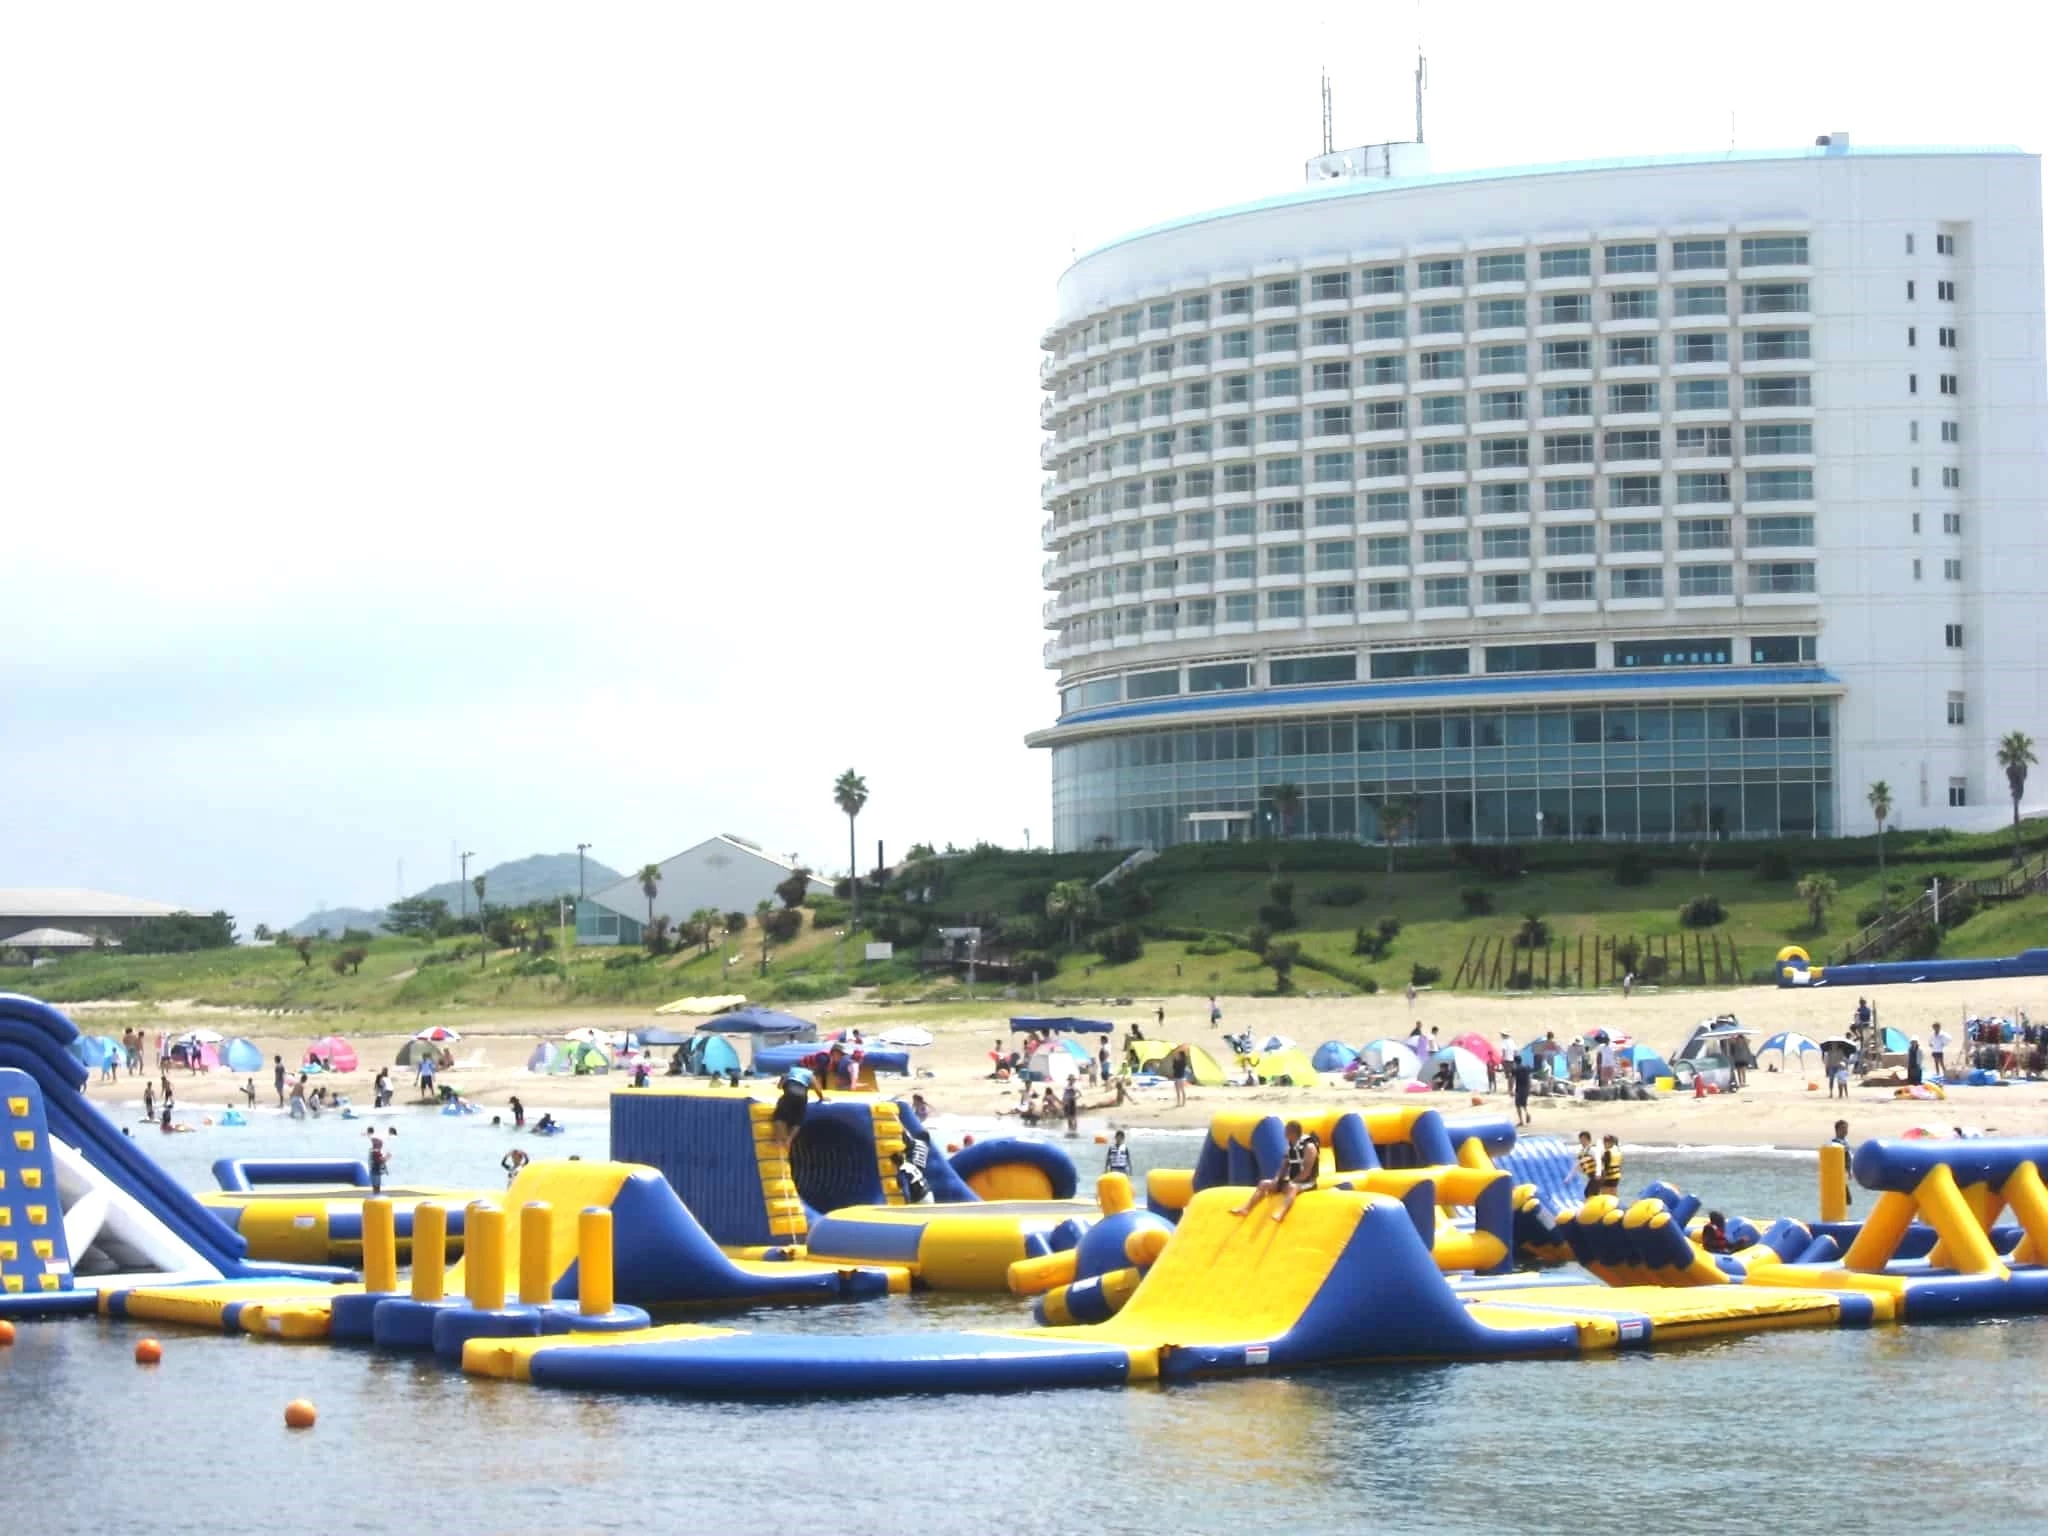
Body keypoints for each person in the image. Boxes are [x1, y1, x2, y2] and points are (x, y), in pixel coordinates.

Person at [1231, 1120, 1319, 1222]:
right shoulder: (1290, 1147)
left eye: (1286, 1132)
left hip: (1308, 1182)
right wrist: (1276, 1180)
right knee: (1264, 1183)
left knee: (1291, 1187)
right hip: (1293, 1180)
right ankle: (1246, 1208)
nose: (1284, 1135)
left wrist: (1292, 1181)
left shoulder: (1309, 1147)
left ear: (1292, 1133)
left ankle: (1281, 1213)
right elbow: (1283, 1167)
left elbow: (1306, 1172)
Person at [771, 1065, 825, 1148]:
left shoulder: (791, 1071)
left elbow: (779, 1087)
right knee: (798, 1119)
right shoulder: (810, 1074)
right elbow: (817, 1088)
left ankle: (779, 1141)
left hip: (790, 1093)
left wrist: (782, 1079)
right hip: (802, 1096)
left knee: (779, 1116)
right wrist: (822, 1098)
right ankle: (789, 1139)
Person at [895, 1131, 933, 1204]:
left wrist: (908, 1203)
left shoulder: (902, 1171)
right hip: (928, 1193)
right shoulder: (926, 1147)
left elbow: (905, 1189)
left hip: (920, 1198)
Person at [1829, 1120, 1854, 1209]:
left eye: (1846, 1128)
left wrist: (1850, 1171)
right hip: (1838, 1175)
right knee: (1845, 1199)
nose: (1846, 1130)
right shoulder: (1835, 1143)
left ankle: (1841, 1215)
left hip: (1843, 1174)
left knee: (1846, 1199)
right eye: (1843, 1128)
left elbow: (1848, 1158)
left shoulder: (1845, 1142)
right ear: (1837, 1130)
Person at [1576, 1131, 1601, 1200]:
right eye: (1580, 1139)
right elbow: (1580, 1164)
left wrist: (1598, 1173)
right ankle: (1594, 1208)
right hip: (1592, 1176)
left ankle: (1594, 1208)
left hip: (1597, 1175)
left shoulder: (1593, 1149)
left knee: (1589, 1192)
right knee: (1590, 1193)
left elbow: (1598, 1161)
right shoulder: (1583, 1151)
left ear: (1588, 1140)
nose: (1581, 1141)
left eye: (1583, 1139)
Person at [1512, 1054, 1533, 1127]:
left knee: (1518, 1105)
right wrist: (1530, 1087)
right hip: (1526, 1088)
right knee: (1524, 1103)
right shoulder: (1527, 1067)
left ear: (1515, 1062)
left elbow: (1512, 1080)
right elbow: (1530, 1077)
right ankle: (1527, 1113)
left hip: (1519, 1089)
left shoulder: (1515, 1069)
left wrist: (1511, 1090)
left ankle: (1521, 1121)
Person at [367, 1131, 389, 1195]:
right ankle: (376, 1194)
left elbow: (380, 1160)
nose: (382, 1144)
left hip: (375, 1171)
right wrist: (387, 1157)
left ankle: (376, 1194)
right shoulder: (375, 1151)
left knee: (376, 1185)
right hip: (375, 1171)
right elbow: (380, 1160)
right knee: (376, 1186)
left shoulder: (374, 1150)